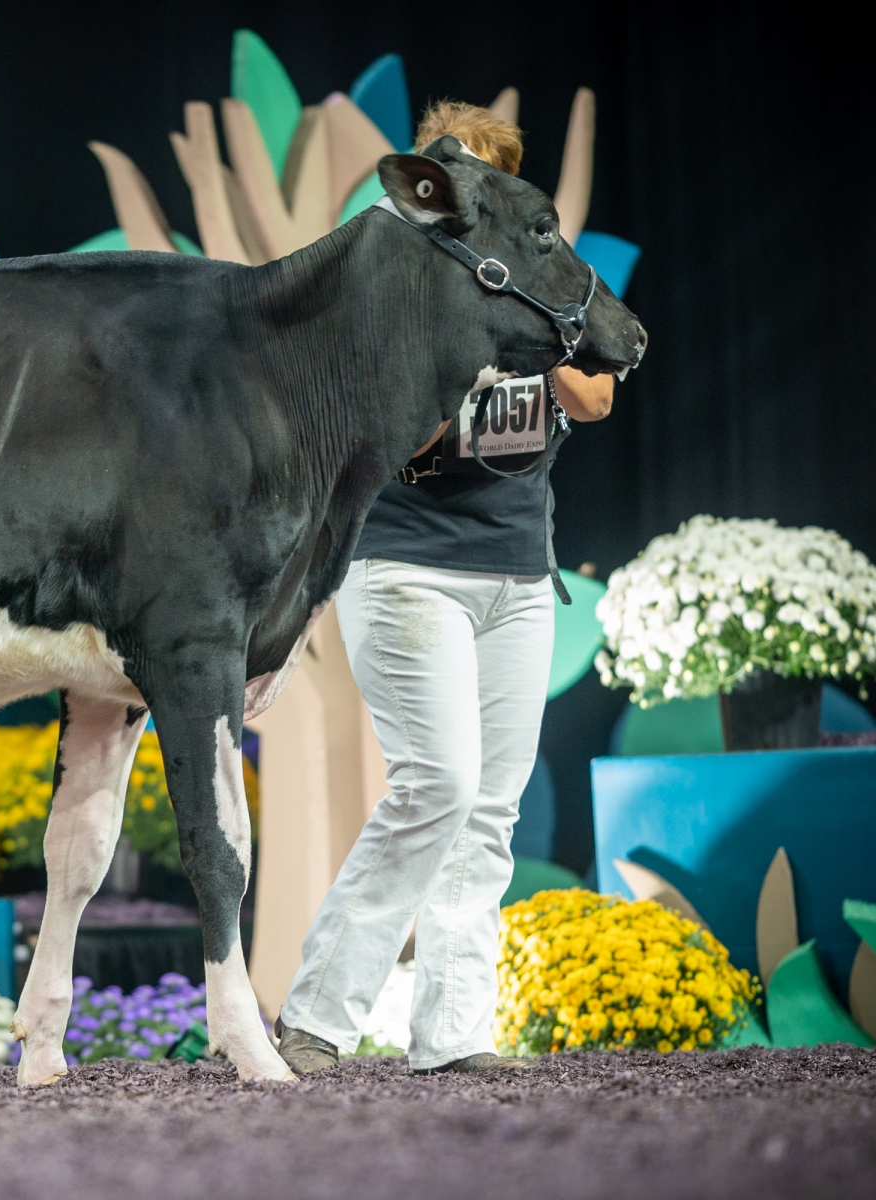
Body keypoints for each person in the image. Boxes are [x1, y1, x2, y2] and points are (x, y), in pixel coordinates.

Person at [276, 101, 616, 1075]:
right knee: (439, 785)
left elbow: (595, 396)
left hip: (517, 578)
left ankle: (455, 1033)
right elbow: (387, 433)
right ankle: (318, 1017)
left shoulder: (543, 279)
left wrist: (533, 325)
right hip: (405, 570)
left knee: (490, 812)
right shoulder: (389, 288)